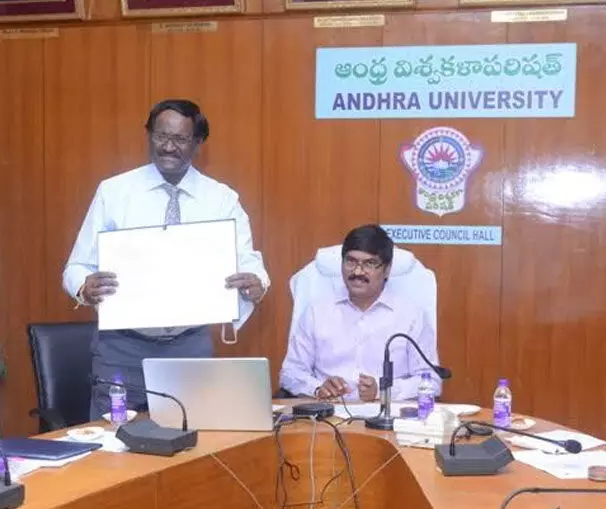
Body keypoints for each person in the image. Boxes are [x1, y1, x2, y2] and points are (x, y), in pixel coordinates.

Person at [63, 99, 269, 418]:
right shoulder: (115, 192)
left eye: (181, 139)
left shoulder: (222, 199)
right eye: (160, 136)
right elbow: (76, 268)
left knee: (190, 448)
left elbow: (249, 263)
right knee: (113, 453)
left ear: (198, 143)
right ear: (149, 135)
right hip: (121, 348)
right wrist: (84, 288)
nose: (168, 147)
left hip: (189, 348)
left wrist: (257, 283)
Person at [279, 224, 440, 402]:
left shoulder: (411, 315)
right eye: (351, 261)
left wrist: (382, 390)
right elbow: (290, 373)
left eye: (369, 263)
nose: (357, 271)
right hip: (328, 416)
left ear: (387, 270)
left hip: (388, 418)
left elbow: (431, 381)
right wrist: (317, 388)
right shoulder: (316, 312)